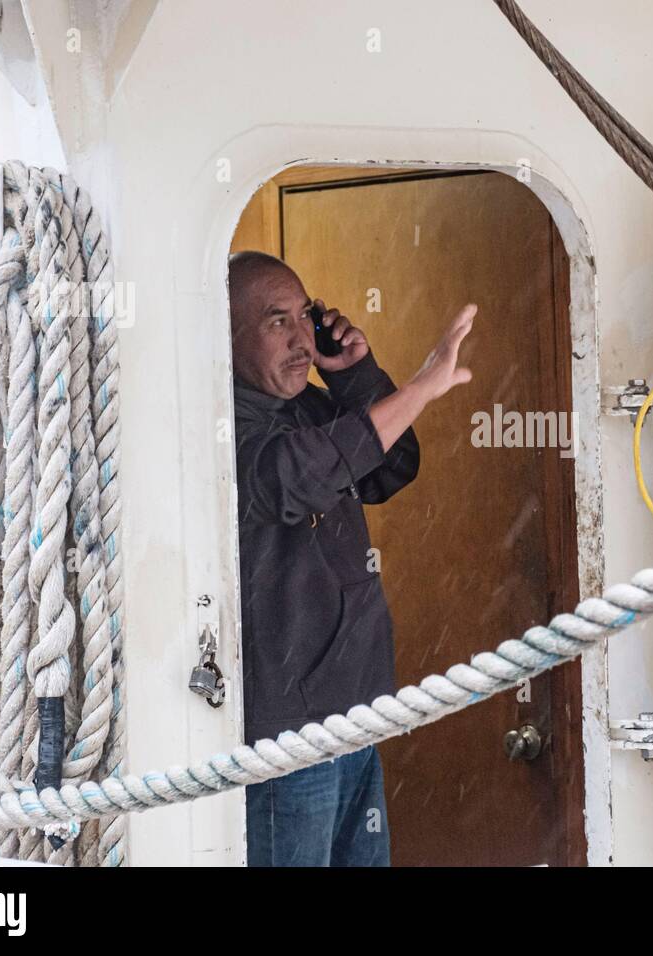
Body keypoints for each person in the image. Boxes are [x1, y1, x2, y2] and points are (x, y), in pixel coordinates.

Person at [227, 250, 475, 866]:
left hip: (357, 715)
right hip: (288, 738)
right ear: (224, 333)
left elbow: (391, 469)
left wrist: (357, 379)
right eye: (275, 321)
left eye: (304, 316)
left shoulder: (309, 406)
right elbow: (301, 474)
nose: (301, 339)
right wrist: (419, 387)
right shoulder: (220, 425)